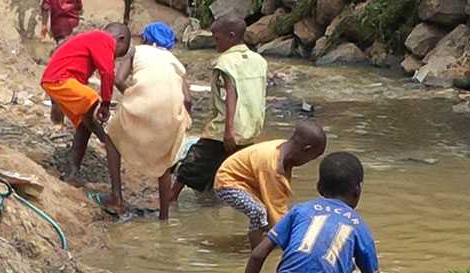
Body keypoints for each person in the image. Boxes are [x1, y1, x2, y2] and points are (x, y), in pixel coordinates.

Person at [172, 15, 268, 200]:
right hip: (251, 127)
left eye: (217, 39)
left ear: (231, 36)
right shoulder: (259, 61)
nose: (216, 44)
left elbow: (230, 95)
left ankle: (171, 198)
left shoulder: (225, 62)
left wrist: (228, 130)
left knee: (194, 164)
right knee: (238, 170)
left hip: (226, 127)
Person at [40, 23, 130, 214]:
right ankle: (107, 141)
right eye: (117, 55)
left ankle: (73, 172)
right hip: (60, 79)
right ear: (120, 39)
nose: (113, 58)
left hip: (59, 79)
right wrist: (106, 102)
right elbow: (107, 72)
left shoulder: (90, 39)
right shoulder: (104, 39)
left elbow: (64, 61)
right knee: (92, 100)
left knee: (83, 124)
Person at [107, 22, 192, 220]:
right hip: (171, 112)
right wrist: (184, 120)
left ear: (145, 38)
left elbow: (118, 79)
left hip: (141, 103)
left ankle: (116, 197)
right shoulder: (175, 62)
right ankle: (164, 217)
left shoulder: (137, 51)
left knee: (112, 138)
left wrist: (132, 96)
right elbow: (187, 99)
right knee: (165, 161)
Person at [245, 152, 380, 273]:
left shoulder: (301, 210)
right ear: (357, 190)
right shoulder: (359, 226)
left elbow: (257, 255)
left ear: (319, 187)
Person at [214, 121, 327, 251]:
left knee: (269, 214)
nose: (307, 162)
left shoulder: (286, 150)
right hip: (228, 183)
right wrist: (294, 245)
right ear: (306, 150)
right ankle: (257, 251)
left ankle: (264, 241)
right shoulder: (273, 166)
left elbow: (279, 201)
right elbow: (276, 210)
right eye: (311, 158)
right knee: (258, 212)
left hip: (249, 181)